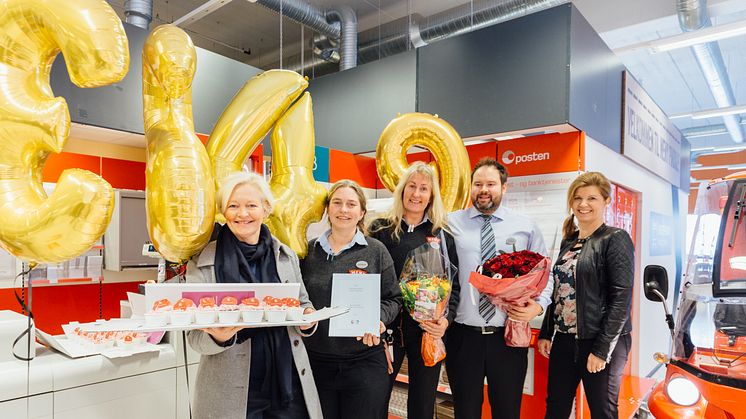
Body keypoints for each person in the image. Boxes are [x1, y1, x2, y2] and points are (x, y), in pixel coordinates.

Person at [185, 171, 322, 419]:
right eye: (233, 206)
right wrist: (218, 338)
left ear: (266, 209)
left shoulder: (285, 255)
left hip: (288, 383)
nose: (242, 213)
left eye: (251, 205)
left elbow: (303, 303)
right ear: (223, 211)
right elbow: (193, 337)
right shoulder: (204, 261)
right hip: (230, 391)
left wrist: (307, 320)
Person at [446, 157, 551, 419]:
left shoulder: (526, 226)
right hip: (463, 337)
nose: (484, 190)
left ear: (504, 187)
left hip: (507, 336)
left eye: (491, 184)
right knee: (465, 412)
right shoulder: (450, 223)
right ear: (470, 187)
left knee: (507, 411)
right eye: (478, 184)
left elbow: (546, 275)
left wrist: (538, 306)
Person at [299, 179, 401, 419]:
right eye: (337, 203)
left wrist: (378, 319)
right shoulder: (307, 252)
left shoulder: (376, 251)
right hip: (317, 363)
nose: (343, 210)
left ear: (361, 212)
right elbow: (299, 300)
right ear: (327, 209)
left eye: (351, 204)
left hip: (364, 362)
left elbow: (393, 299)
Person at [538, 171, 634, 419]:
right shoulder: (569, 242)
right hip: (565, 340)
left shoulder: (615, 238)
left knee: (602, 410)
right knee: (556, 408)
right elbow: (558, 289)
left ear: (605, 201)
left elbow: (621, 298)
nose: (583, 204)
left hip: (601, 338)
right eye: (578, 198)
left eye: (591, 198)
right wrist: (547, 331)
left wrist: (602, 349)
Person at [369, 161, 460, 419]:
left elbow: (455, 286)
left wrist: (445, 320)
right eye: (411, 186)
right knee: (376, 397)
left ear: (432, 196)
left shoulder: (442, 235)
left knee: (422, 403)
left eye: (423, 189)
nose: (416, 194)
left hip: (426, 333)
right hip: (385, 331)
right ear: (401, 190)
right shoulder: (380, 229)